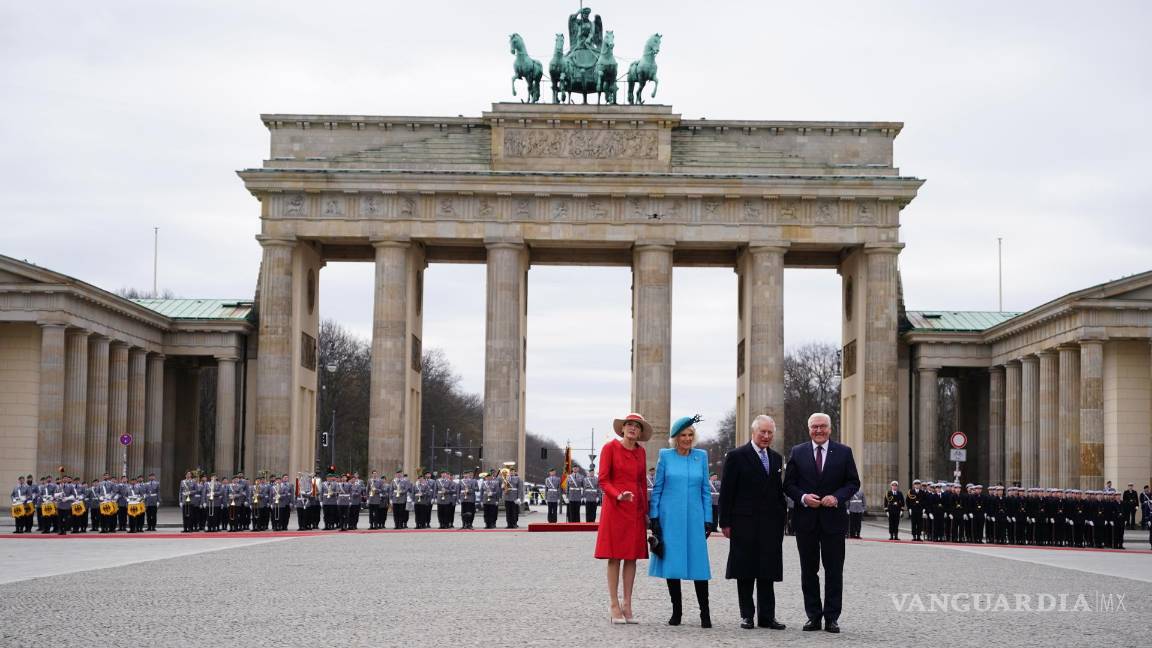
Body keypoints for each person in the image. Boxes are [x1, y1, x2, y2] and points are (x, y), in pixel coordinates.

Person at [782, 412, 860, 634]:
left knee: (834, 571)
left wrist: (837, 497)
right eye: (815, 427)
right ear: (809, 429)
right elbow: (789, 485)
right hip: (805, 520)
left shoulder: (844, 452)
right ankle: (813, 616)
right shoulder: (797, 452)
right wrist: (804, 498)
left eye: (823, 426)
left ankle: (832, 617)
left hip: (833, 521)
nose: (819, 430)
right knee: (809, 570)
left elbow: (853, 482)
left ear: (830, 429)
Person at [720, 414, 786, 631]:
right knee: (745, 570)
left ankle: (767, 616)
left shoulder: (776, 458)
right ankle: (747, 614)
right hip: (744, 522)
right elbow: (727, 492)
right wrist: (725, 522)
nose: (766, 436)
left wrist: (782, 520)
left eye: (770, 433)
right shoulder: (736, 456)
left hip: (770, 523)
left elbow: (778, 492)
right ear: (753, 432)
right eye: (762, 432)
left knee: (768, 570)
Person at [649, 415, 713, 628]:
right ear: (675, 438)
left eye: (690, 435)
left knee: (699, 564)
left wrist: (708, 518)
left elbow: (705, 489)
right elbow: (657, 488)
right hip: (671, 517)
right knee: (673, 563)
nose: (687, 438)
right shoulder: (665, 456)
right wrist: (654, 517)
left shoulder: (701, 456)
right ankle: (677, 612)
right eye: (683, 435)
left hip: (695, 517)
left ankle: (705, 613)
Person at [595, 412, 651, 625]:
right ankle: (613, 604)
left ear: (640, 431)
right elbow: (603, 479)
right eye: (629, 424)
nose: (632, 428)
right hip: (616, 506)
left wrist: (646, 511)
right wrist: (618, 494)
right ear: (622, 428)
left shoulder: (641, 452)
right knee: (614, 556)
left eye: (636, 426)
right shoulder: (610, 448)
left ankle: (627, 604)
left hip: (635, 508)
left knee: (631, 557)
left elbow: (641, 484)